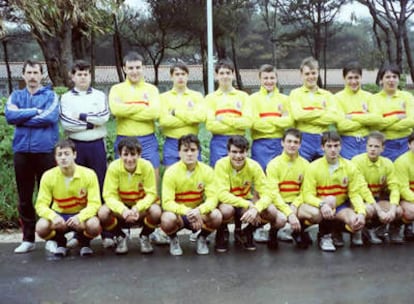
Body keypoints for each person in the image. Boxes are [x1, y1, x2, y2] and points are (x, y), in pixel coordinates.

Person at [5, 60, 59, 254]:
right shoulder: (16, 95)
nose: (32, 76)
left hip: (45, 151)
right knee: (25, 197)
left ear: (42, 75)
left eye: (36, 72)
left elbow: (50, 117)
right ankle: (28, 239)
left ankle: (53, 239)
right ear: (23, 75)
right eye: (29, 72)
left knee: (50, 197)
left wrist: (23, 117)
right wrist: (34, 112)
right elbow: (10, 115)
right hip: (22, 152)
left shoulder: (50, 96)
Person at [59, 60, 112, 248]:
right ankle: (80, 234)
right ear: (72, 76)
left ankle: (107, 232)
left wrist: (80, 116)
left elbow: (104, 117)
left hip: (96, 144)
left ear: (91, 76)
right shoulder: (66, 98)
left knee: (101, 185)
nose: (83, 77)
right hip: (76, 145)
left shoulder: (99, 95)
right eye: (79, 74)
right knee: (79, 188)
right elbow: (66, 122)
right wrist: (91, 120)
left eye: (86, 74)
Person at [301, 131, 369, 252]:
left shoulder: (349, 166)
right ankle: (325, 235)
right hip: (320, 206)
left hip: (340, 206)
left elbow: (354, 194)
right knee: (330, 201)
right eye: (329, 146)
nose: (333, 150)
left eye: (336, 146)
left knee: (355, 222)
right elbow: (307, 195)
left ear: (340, 146)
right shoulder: (313, 167)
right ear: (322, 147)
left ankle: (337, 230)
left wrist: (361, 213)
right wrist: (321, 204)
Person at [35, 139, 101, 257]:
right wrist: (53, 216)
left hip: (80, 215)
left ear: (74, 155)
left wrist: (80, 217)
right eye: (59, 155)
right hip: (60, 215)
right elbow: (40, 205)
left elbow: (95, 204)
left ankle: (84, 242)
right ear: (55, 158)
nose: (63, 158)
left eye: (67, 154)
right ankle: (60, 242)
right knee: (41, 227)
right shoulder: (48, 176)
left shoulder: (89, 174)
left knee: (94, 225)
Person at [160, 134, 222, 255]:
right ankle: (173, 239)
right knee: (167, 219)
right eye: (185, 150)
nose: (189, 154)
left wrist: (199, 210)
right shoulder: (171, 172)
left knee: (217, 215)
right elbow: (167, 202)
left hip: (198, 214)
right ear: (179, 152)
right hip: (180, 215)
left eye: (193, 150)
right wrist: (186, 211)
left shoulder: (207, 171)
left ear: (198, 152)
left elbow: (213, 199)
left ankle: (202, 237)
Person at [98, 137, 161, 254]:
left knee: (156, 211)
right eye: (125, 154)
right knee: (102, 213)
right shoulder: (113, 167)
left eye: (133, 154)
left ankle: (145, 236)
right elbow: (108, 195)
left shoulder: (147, 166)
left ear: (139, 154)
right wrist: (123, 210)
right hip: (122, 209)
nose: (129, 159)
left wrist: (137, 208)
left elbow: (151, 194)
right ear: (119, 155)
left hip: (140, 209)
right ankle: (120, 236)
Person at [214, 135, 274, 252]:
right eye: (234, 152)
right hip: (227, 203)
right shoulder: (221, 164)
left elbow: (267, 193)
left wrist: (256, 208)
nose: (238, 156)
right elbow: (222, 194)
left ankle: (246, 232)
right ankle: (222, 232)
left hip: (245, 203)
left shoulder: (254, 166)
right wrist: (248, 204)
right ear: (228, 152)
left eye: (242, 152)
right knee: (226, 210)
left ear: (247, 152)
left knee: (271, 211)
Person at [108, 51, 160, 177]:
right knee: (122, 175)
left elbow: (154, 113)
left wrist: (126, 109)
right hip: (124, 138)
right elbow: (116, 110)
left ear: (144, 68)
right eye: (130, 68)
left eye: (138, 67)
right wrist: (142, 105)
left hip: (147, 139)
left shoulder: (152, 89)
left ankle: (152, 197)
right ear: (124, 69)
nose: (134, 71)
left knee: (152, 174)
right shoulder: (116, 89)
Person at [352, 131, 403, 244]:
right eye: (370, 146)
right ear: (366, 146)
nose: (373, 149)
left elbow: (395, 187)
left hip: (376, 199)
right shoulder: (356, 161)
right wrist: (379, 211)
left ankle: (380, 230)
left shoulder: (388, 163)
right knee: (369, 210)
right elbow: (363, 189)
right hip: (359, 200)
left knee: (398, 211)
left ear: (383, 148)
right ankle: (359, 231)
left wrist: (393, 209)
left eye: (376, 146)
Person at [265, 128, 310, 248]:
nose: (292, 145)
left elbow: (306, 191)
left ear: (300, 144)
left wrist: (295, 205)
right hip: (279, 203)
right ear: (282, 142)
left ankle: (299, 231)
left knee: (315, 214)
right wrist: (288, 211)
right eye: (289, 141)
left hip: (297, 203)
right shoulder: (273, 164)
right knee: (281, 219)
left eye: (296, 142)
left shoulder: (306, 164)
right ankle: (273, 232)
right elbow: (273, 193)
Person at [289, 57, 340, 161]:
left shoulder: (328, 95)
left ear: (318, 73)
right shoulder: (295, 94)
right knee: (304, 171)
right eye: (307, 74)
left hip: (323, 138)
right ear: (301, 75)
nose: (311, 77)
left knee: (324, 172)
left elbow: (334, 117)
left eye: (313, 73)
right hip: (304, 139)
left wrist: (307, 117)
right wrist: (322, 112)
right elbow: (297, 115)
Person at [205, 60, 252, 167]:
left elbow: (248, 122)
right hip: (218, 142)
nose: (225, 76)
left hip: (239, 140)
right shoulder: (210, 98)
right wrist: (236, 123)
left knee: (239, 174)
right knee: (218, 174)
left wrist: (223, 119)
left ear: (233, 75)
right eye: (221, 73)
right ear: (216, 76)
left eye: (228, 73)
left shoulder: (243, 96)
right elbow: (210, 125)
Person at [159, 63, 206, 167]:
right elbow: (164, 121)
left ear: (187, 76)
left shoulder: (197, 96)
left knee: (193, 178)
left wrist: (176, 113)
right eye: (177, 74)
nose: (180, 77)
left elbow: (201, 117)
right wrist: (189, 120)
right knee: (171, 176)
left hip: (192, 141)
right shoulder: (163, 97)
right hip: (172, 143)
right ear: (171, 76)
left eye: (183, 74)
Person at [250, 64, 293, 170]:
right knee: (261, 176)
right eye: (265, 78)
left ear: (276, 79)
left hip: (280, 143)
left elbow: (289, 122)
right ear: (260, 79)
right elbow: (255, 124)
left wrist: (266, 120)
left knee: (279, 175)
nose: (269, 81)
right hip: (260, 143)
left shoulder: (285, 99)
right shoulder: (252, 99)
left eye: (272, 78)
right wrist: (278, 120)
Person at [335, 62, 382, 159]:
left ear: (361, 78)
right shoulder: (337, 98)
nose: (353, 81)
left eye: (356, 77)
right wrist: (366, 121)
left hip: (367, 142)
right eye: (350, 78)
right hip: (347, 143)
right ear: (344, 79)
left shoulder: (369, 97)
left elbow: (377, 119)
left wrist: (351, 117)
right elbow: (341, 125)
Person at [373, 63, 414, 161]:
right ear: (381, 80)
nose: (391, 80)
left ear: (398, 79)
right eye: (387, 77)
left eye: (394, 77)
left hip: (406, 143)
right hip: (386, 144)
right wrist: (398, 117)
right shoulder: (374, 99)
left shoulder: (407, 96)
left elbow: (412, 120)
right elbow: (378, 124)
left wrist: (387, 123)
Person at [394, 132, 414, 241]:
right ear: (409, 145)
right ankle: (397, 226)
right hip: (404, 199)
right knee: (412, 211)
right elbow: (403, 189)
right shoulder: (402, 162)